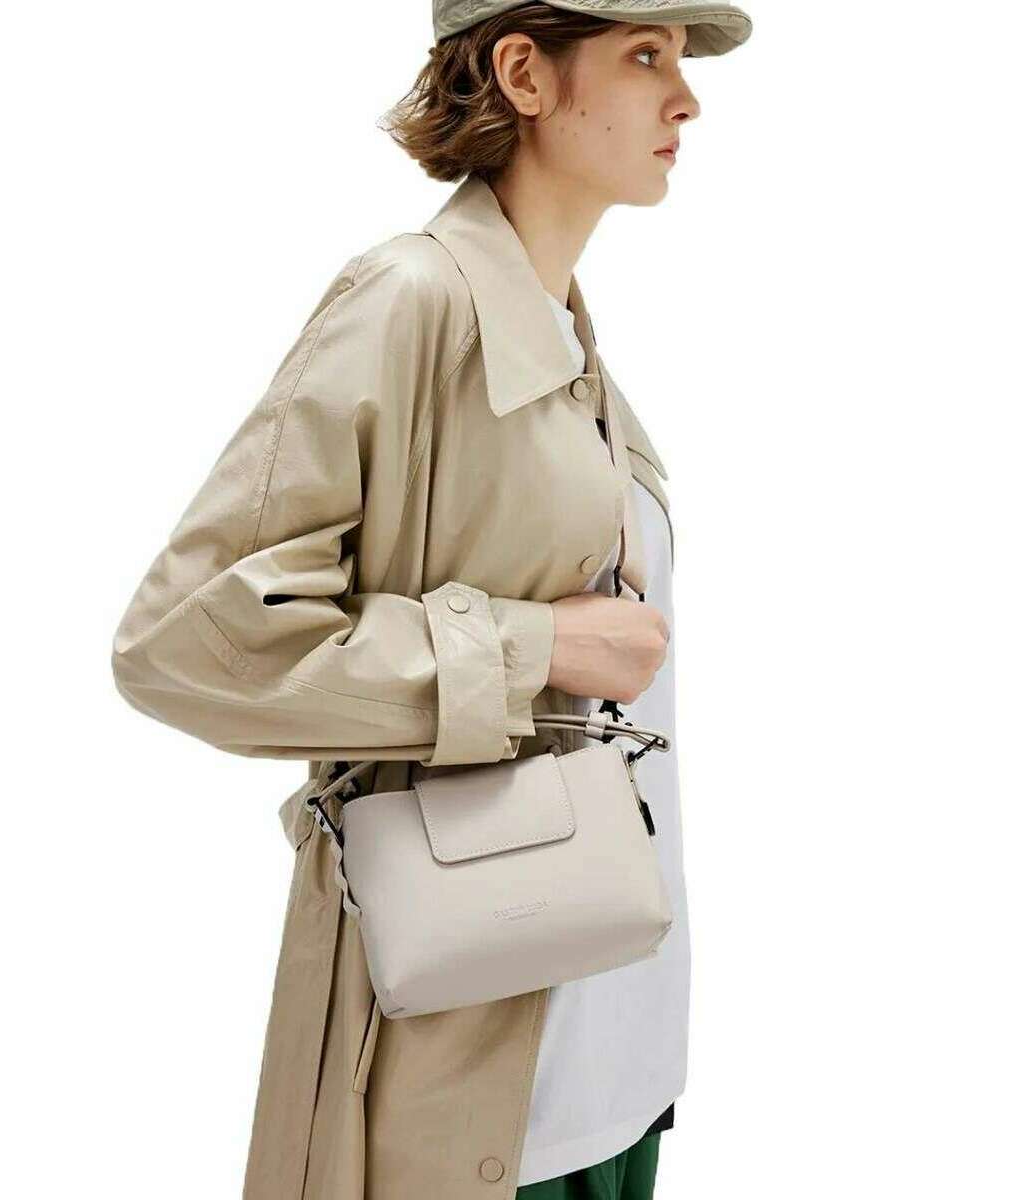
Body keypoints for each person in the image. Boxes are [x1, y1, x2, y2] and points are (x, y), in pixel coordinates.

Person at [109, 3, 752, 1197]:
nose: (687, 98)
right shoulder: (410, 301)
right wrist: (532, 647)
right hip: (470, 1070)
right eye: (644, 55)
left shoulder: (567, 339)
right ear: (524, 73)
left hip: (615, 1052)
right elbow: (186, 640)